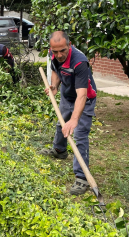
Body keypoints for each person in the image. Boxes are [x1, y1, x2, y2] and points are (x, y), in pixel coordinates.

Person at [39, 31, 97, 196]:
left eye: (62, 51)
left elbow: (82, 95)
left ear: (69, 45)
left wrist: (74, 119)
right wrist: (54, 86)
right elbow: (56, 69)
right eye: (55, 51)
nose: (59, 55)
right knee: (61, 123)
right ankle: (59, 150)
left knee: (79, 134)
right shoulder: (54, 54)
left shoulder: (79, 62)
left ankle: (82, 176)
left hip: (85, 99)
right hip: (67, 94)